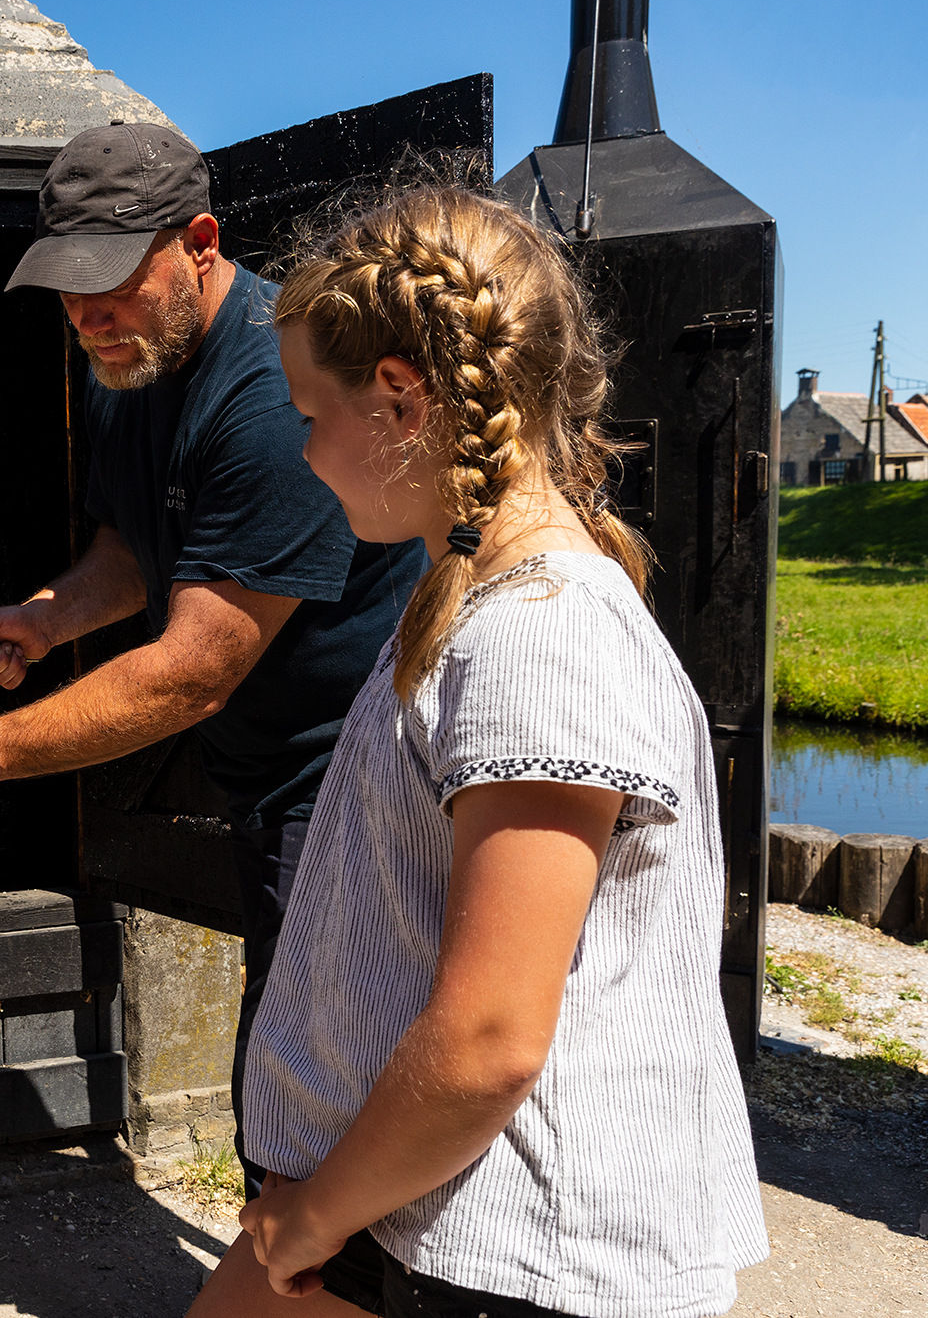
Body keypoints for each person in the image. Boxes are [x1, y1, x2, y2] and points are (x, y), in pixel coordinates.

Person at [191, 184, 768, 1318]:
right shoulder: (473, 603)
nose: (304, 453)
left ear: (399, 399)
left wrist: (314, 1214)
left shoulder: (541, 638)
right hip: (409, 1196)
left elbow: (491, 1035)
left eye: (309, 415)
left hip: (509, 1250)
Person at [0, 123, 424, 1191]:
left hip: (353, 787)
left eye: (109, 284)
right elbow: (137, 543)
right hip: (267, 778)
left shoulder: (270, 399)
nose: (86, 317)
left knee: (307, 1107)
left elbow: (194, 668)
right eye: (66, 291)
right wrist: (48, 617)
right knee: (295, 1084)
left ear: (199, 243)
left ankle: (301, 1255)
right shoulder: (128, 364)